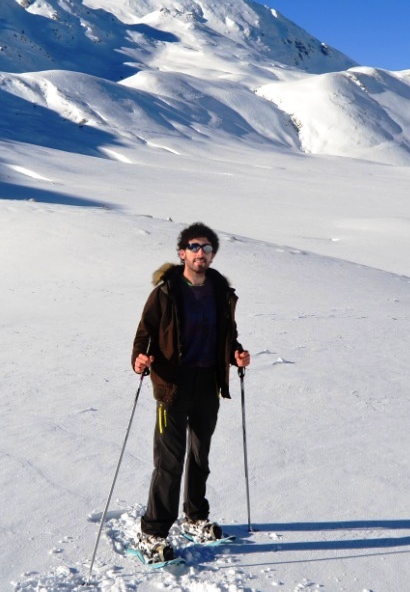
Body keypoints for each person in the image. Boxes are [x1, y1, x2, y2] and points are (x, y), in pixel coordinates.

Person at [130, 222, 251, 564]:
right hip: (172, 385)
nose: (202, 253)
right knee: (169, 462)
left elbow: (228, 337)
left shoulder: (220, 292)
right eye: (195, 247)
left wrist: (236, 354)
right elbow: (144, 335)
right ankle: (152, 533)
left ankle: (194, 517)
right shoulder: (166, 292)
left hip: (207, 384)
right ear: (182, 252)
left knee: (199, 457)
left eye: (208, 248)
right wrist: (140, 359)